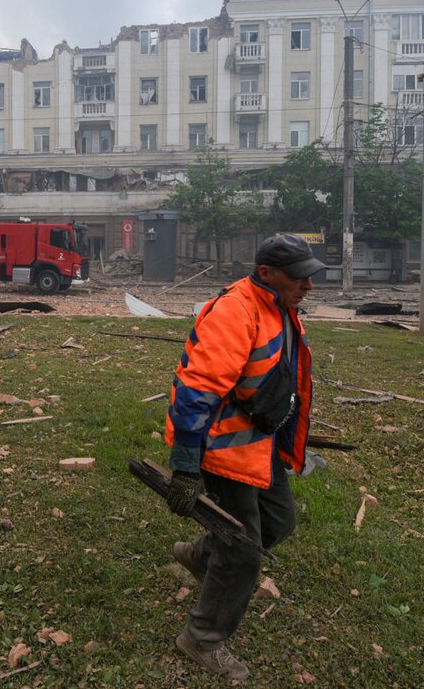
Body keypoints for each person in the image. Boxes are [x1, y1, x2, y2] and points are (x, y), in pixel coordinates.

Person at [164, 233, 323, 683]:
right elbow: (196, 392)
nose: (308, 286)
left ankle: (201, 555)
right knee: (244, 551)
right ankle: (201, 639)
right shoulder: (237, 310)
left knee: (279, 523)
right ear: (267, 273)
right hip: (221, 448)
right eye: (299, 277)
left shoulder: (278, 306)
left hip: (258, 444)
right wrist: (186, 466)